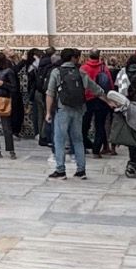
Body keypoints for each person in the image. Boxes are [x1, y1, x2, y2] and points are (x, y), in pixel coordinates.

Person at [46, 48, 89, 181]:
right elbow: (92, 87)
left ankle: (60, 171)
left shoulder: (56, 72)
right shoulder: (80, 72)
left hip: (62, 109)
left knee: (59, 140)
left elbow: (50, 93)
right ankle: (81, 170)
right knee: (78, 139)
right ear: (73, 58)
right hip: (78, 109)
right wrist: (108, 99)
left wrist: (48, 112)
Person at [0, 51, 19, 159]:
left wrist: (4, 84)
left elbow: (14, 87)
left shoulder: (8, 71)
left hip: (3, 100)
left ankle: (10, 149)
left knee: (6, 127)